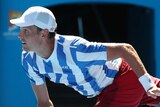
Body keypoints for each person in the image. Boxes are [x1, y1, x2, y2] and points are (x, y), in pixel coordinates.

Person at [10, 6, 160, 107]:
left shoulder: (76, 50)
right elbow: (43, 103)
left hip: (123, 79)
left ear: (43, 33)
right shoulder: (29, 60)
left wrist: (148, 84)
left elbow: (125, 49)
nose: (19, 35)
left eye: (26, 31)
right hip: (106, 90)